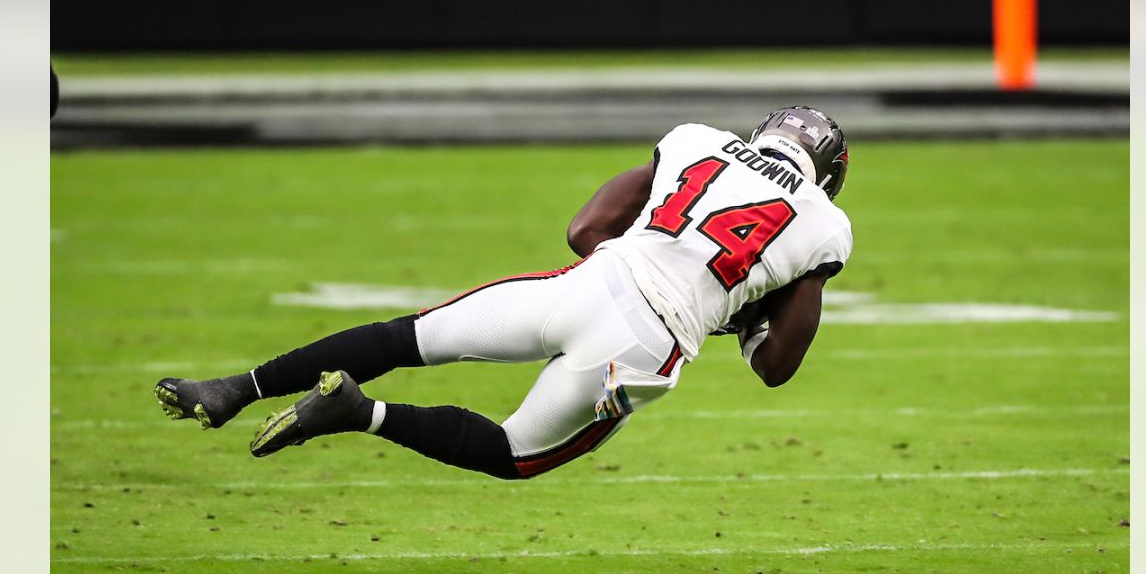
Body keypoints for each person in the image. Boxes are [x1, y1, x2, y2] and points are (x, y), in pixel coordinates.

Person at [154, 106, 853, 480]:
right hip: (646, 346)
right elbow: (775, 366)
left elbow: (585, 229)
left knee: (407, 336)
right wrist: (737, 303)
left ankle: (231, 389)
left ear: (763, 131)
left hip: (592, 281)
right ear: (825, 177)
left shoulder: (697, 139)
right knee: (514, 453)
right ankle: (360, 415)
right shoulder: (824, 225)